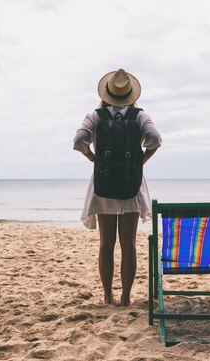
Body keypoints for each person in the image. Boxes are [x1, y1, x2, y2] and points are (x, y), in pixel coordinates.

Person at [73, 68, 162, 307]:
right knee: (129, 244)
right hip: (132, 185)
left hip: (103, 186)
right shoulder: (140, 116)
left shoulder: (95, 116)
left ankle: (107, 296)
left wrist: (93, 158)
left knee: (106, 244)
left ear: (107, 93)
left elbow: (78, 141)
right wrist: (140, 161)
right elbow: (156, 139)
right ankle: (125, 298)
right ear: (131, 94)